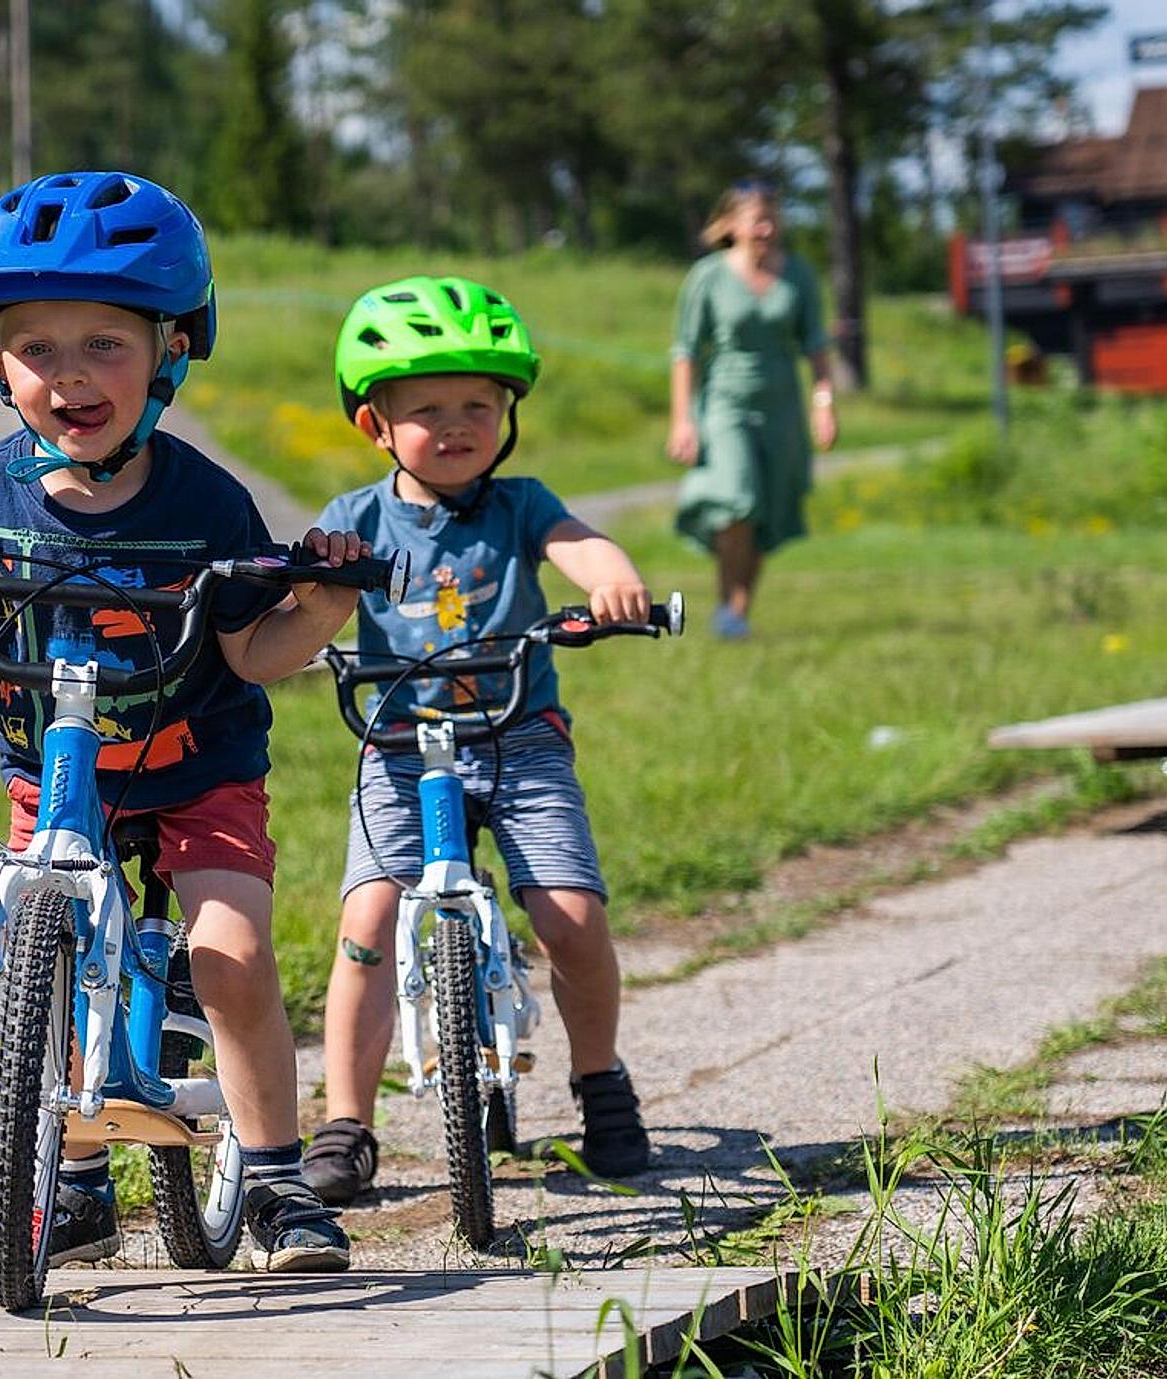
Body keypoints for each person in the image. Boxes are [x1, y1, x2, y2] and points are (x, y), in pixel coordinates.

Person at [0, 171, 366, 1272]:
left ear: (170, 351)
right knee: (46, 947)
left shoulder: (205, 502)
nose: (69, 373)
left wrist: (325, 600)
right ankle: (66, 1185)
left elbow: (252, 654)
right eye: (34, 346)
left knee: (230, 948)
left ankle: (273, 1175)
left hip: (196, 765)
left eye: (104, 344)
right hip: (50, 773)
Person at [301, 275, 655, 1207]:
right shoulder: (355, 520)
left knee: (572, 917)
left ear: (508, 413)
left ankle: (600, 1080)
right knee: (368, 924)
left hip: (519, 738)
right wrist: (300, 589)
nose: (456, 424)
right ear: (374, 424)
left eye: (479, 405)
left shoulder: (523, 505)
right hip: (398, 744)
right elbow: (308, 584)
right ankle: (347, 1119)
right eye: (426, 409)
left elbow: (585, 546)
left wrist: (614, 581)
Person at [666, 181, 838, 640]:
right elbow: (686, 351)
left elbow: (816, 347)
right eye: (757, 219)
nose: (767, 228)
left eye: (773, 218)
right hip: (725, 401)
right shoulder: (708, 277)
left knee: (767, 507)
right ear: (731, 225)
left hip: (782, 404)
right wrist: (682, 419)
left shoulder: (798, 275)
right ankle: (728, 604)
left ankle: (738, 610)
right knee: (738, 500)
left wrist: (825, 402)